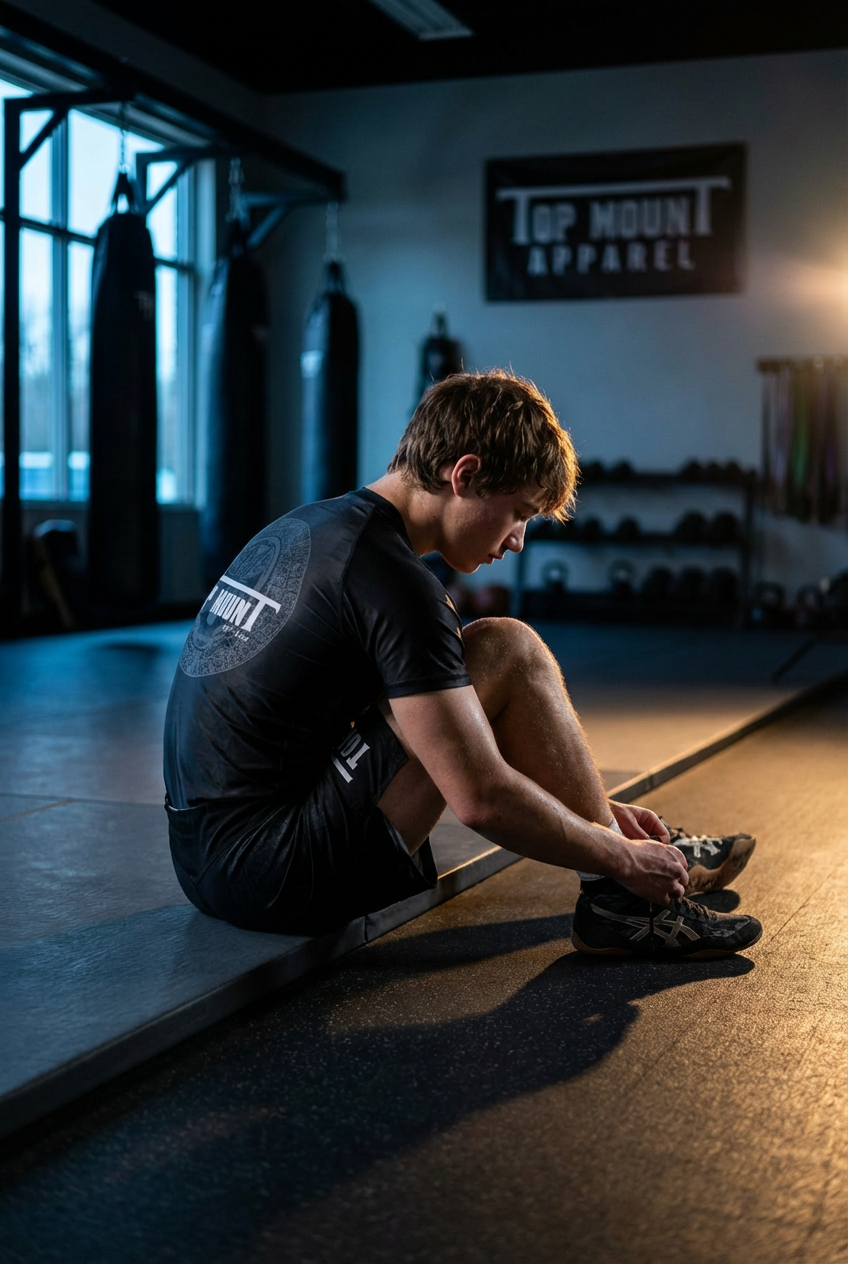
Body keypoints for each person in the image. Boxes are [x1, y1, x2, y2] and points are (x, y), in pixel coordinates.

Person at [164, 370, 761, 958]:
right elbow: (479, 798)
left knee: (480, 663)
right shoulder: (396, 584)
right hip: (271, 875)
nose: (519, 540)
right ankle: (623, 900)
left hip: (203, 856)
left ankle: (620, 865)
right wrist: (618, 856)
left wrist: (595, 816)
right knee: (508, 648)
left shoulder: (315, 527)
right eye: (519, 512)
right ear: (466, 474)